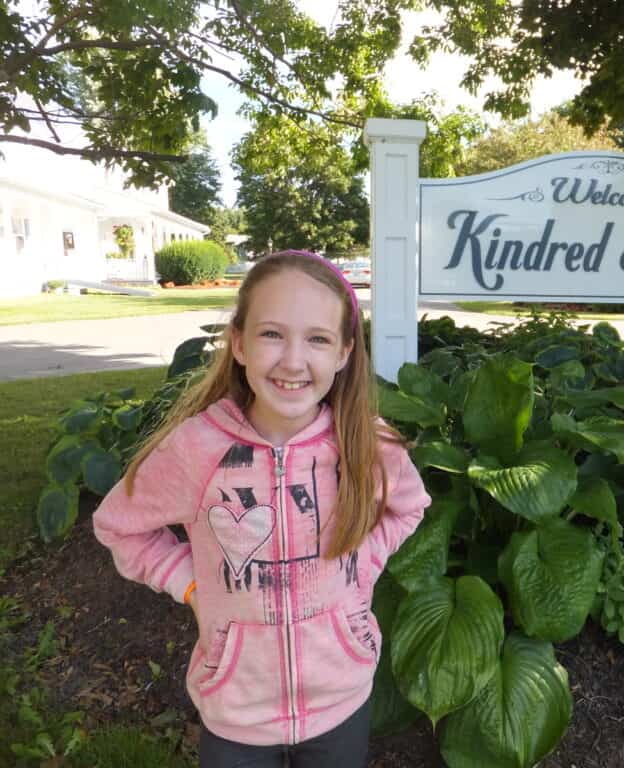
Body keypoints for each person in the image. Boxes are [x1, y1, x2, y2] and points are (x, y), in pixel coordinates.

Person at [93, 250, 430, 767]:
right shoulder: (197, 449)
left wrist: (360, 568)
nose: (293, 360)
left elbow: (408, 507)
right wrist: (190, 584)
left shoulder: (366, 442)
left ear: (343, 352)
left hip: (342, 699)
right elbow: (119, 526)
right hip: (235, 713)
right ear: (239, 344)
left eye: (317, 338)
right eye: (272, 334)